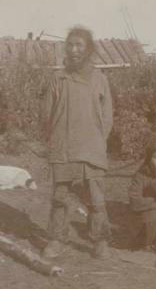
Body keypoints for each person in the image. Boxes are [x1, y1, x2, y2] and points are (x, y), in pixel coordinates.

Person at [41, 26, 113, 259]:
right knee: (60, 196)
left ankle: (100, 241)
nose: (74, 50)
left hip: (91, 148)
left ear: (89, 49)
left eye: (79, 45)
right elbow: (46, 115)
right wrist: (55, 140)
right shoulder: (58, 78)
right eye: (70, 45)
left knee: (96, 198)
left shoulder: (100, 79)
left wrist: (98, 142)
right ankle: (55, 239)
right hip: (63, 148)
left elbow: (108, 117)